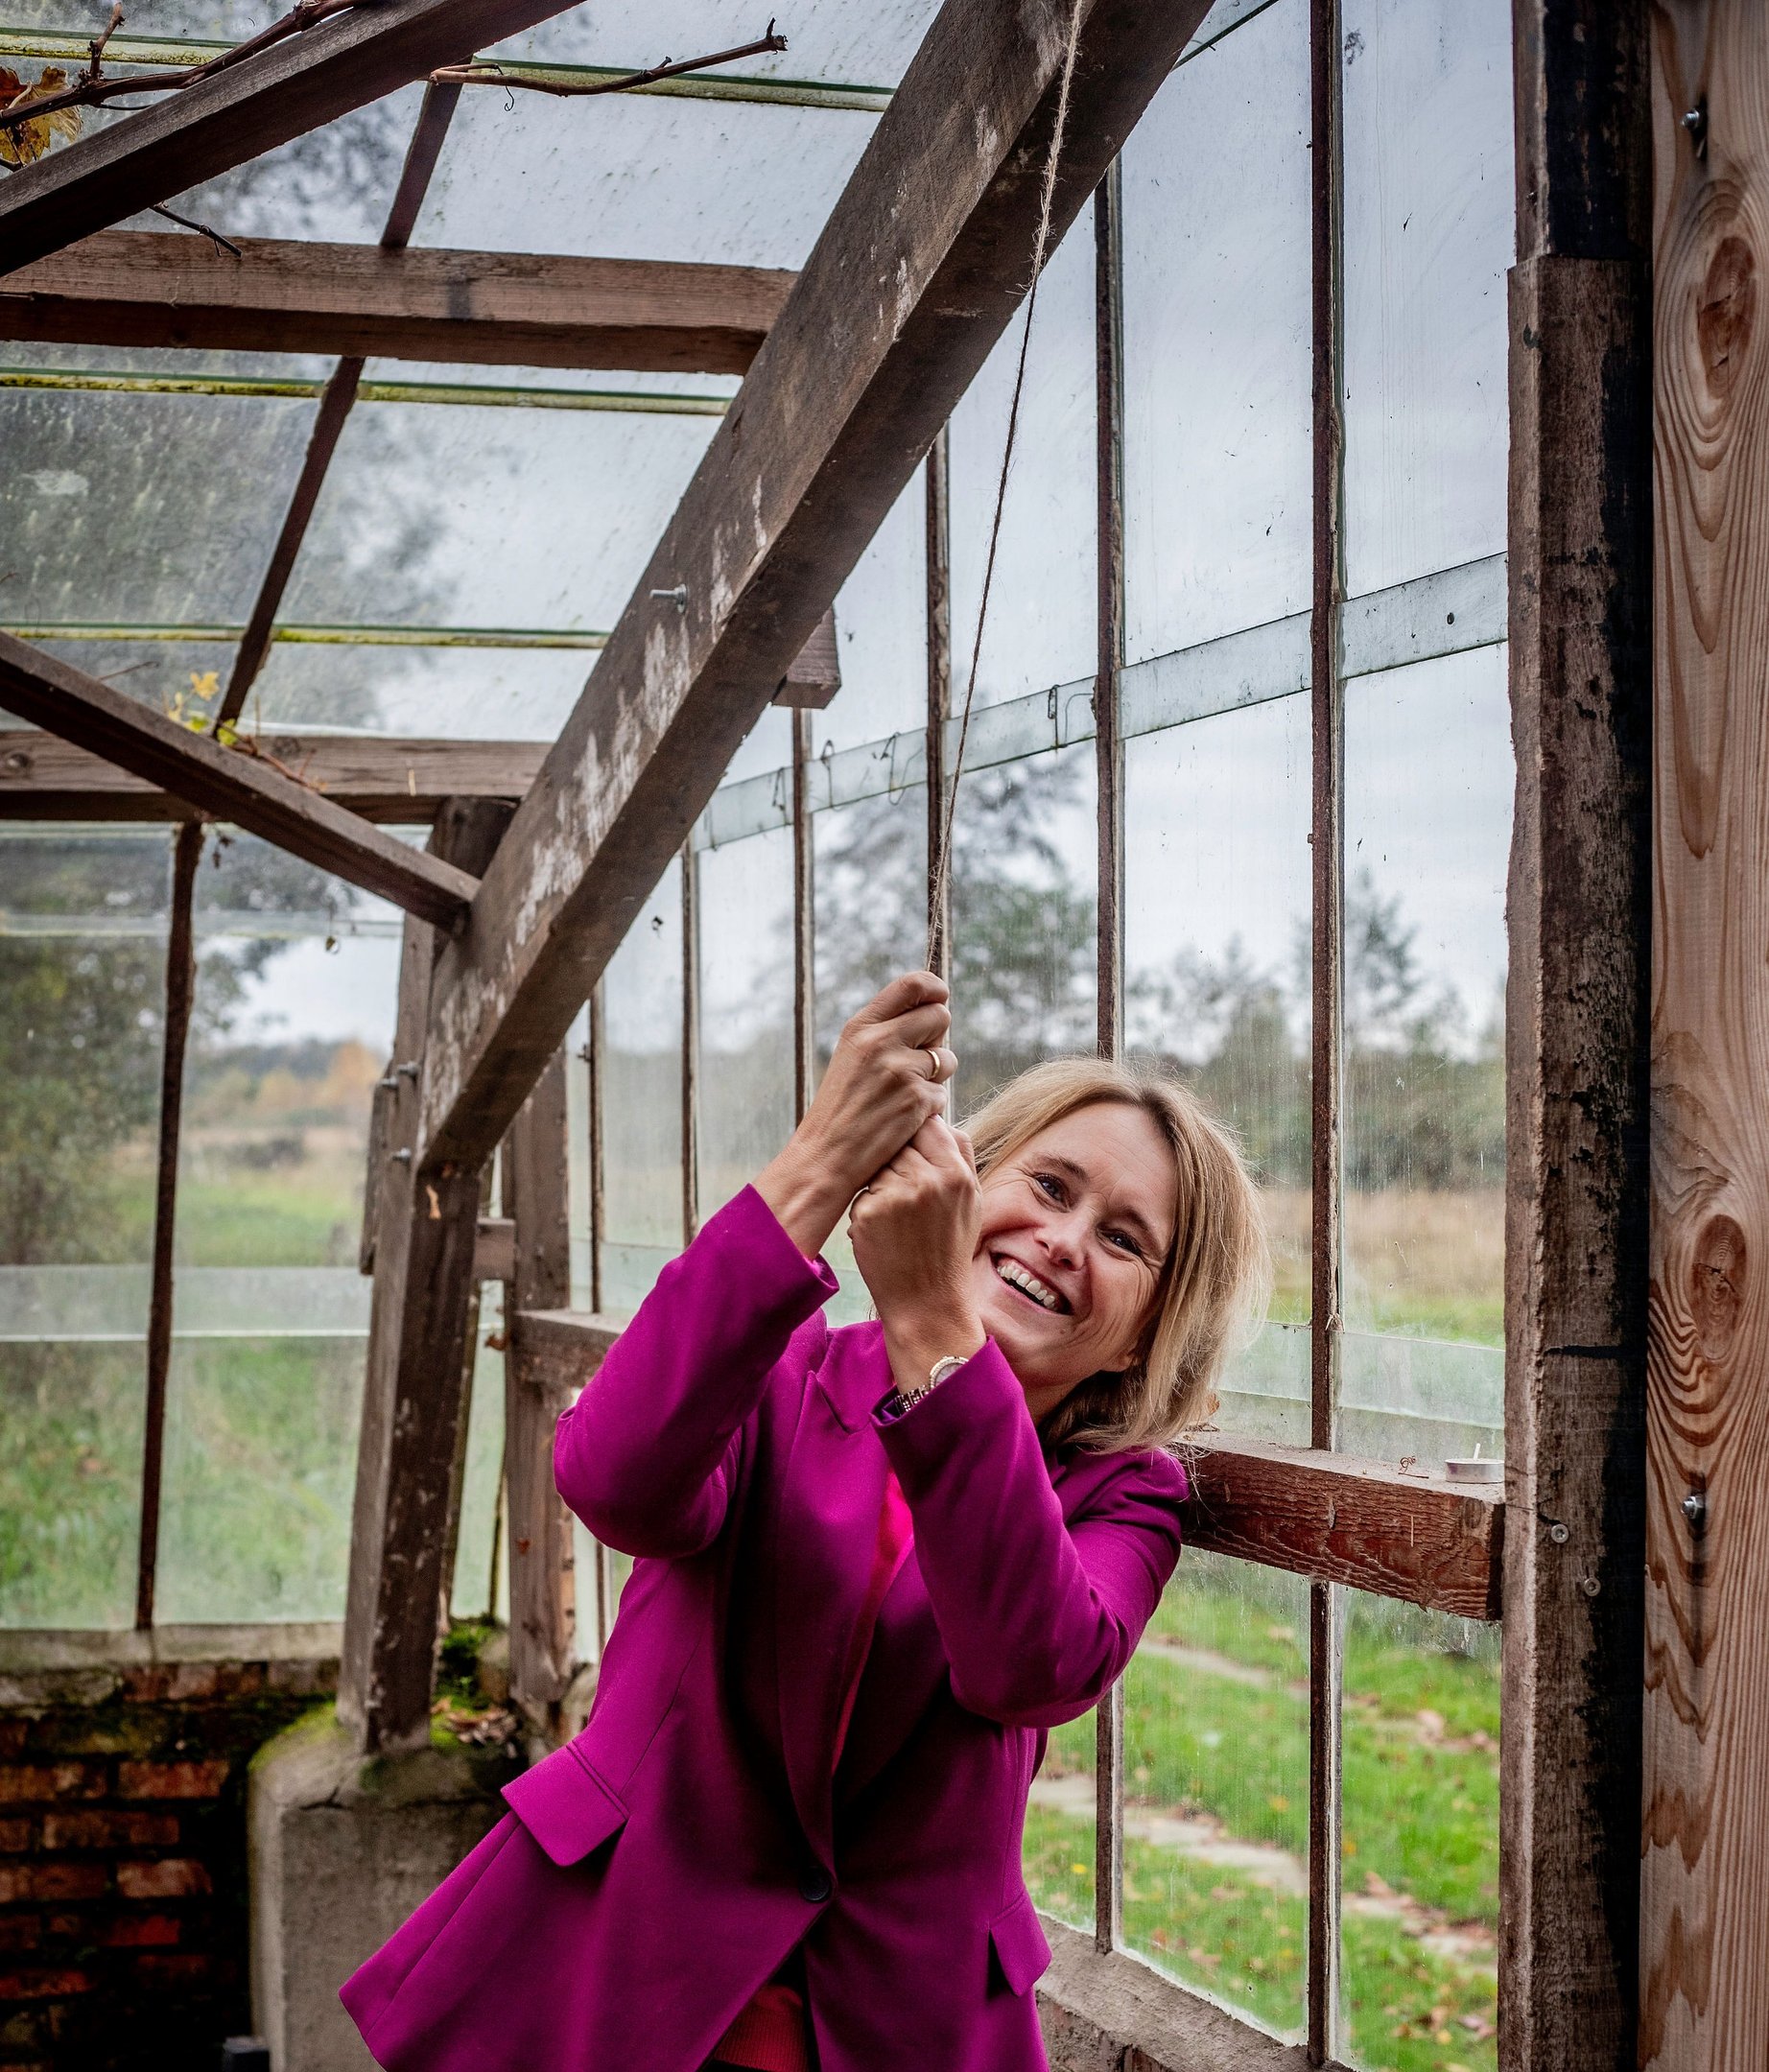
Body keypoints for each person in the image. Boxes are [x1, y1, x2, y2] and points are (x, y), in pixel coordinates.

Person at [341, 970, 1268, 2072]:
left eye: (1124, 1240)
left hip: (893, 2030)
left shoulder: (1126, 1496)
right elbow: (613, 1480)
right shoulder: (776, 1369)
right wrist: (823, 1161)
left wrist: (932, 1324)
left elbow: (1029, 1665)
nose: (1065, 1239)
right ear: (957, 1186)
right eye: (1051, 1186)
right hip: (617, 1983)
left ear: (1141, 1337)